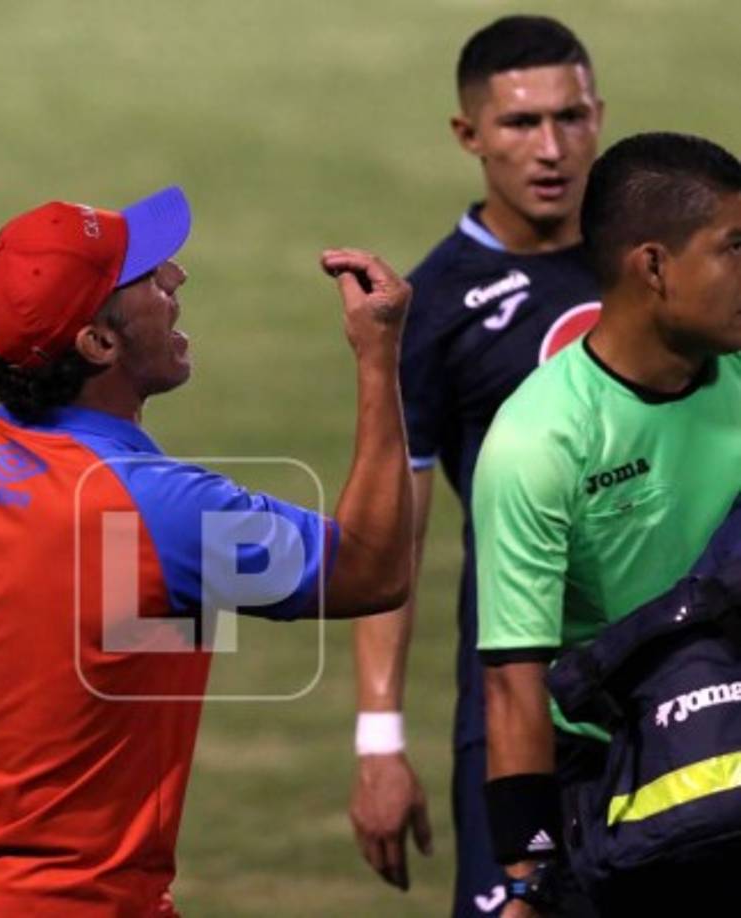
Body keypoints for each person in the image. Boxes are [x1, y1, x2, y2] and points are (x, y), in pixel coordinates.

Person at [0, 186, 416, 917]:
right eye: (150, 278)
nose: (177, 278)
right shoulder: (161, 511)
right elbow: (375, 572)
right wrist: (379, 357)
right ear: (98, 342)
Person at [349, 16, 603, 916]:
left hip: (672, 681)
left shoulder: (657, 260)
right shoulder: (438, 308)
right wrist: (379, 740)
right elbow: (392, 545)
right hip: (513, 696)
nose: (551, 148)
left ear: (600, 117)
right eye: (520, 124)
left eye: (571, 118)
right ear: (469, 136)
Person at [474, 132, 741, 916]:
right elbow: (513, 681)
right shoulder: (540, 442)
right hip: (617, 791)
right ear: (654, 266)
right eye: (735, 247)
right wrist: (528, 880)